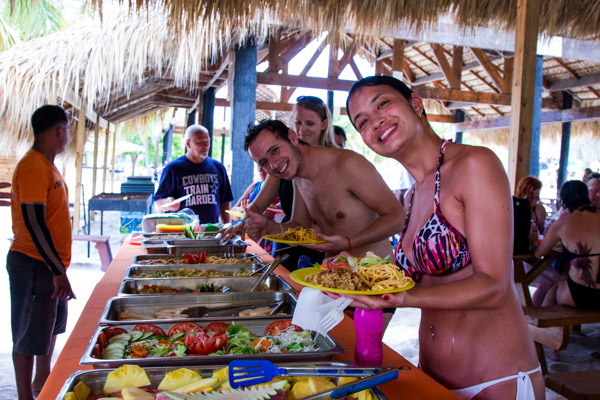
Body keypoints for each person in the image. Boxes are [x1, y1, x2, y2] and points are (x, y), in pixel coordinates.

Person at [333, 76, 544, 399]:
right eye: (362, 121)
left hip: (495, 380)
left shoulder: (474, 164)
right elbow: (423, 279)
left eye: (383, 104)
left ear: (415, 104)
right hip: (432, 378)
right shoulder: (414, 194)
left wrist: (404, 298)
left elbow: (494, 287)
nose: (375, 122)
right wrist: (350, 272)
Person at [243, 119, 404, 259]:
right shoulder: (298, 175)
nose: (273, 164)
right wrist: (270, 227)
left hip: (377, 279)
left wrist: (348, 242)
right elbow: (301, 227)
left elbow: (397, 218)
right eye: (263, 162)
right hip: (334, 276)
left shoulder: (348, 164)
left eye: (274, 150)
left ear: (292, 137)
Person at [220, 96, 338, 269]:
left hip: (325, 250)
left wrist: (272, 227)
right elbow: (258, 205)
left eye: (309, 124)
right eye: (298, 123)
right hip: (289, 245)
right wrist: (241, 223)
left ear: (324, 124)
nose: (302, 129)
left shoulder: (335, 163)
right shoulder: (281, 161)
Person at [8, 105, 75, 400]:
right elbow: (34, 223)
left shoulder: (48, 165)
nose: (68, 136)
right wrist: (57, 271)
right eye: (68, 130)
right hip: (33, 263)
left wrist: (59, 269)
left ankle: (43, 382)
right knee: (27, 335)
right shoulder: (33, 165)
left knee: (50, 327)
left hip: (49, 264)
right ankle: (25, 396)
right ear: (59, 130)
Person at [534, 180, 600, 360]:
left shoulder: (563, 223)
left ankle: (550, 346)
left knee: (555, 285)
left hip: (579, 295)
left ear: (564, 200)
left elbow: (539, 253)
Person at [154, 124, 233, 224]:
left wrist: (227, 226)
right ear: (188, 144)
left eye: (207, 142)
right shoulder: (173, 169)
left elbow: (225, 202)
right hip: (182, 232)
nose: (205, 146)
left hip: (211, 231)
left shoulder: (218, 167)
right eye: (200, 143)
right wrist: (168, 202)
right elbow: (158, 203)